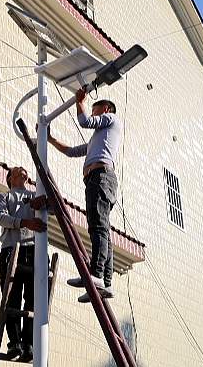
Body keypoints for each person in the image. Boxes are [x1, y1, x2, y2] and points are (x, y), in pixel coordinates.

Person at [47, 87, 122, 303]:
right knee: (102, 228)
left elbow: (85, 121)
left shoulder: (111, 118)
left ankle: (96, 274)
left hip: (100, 177)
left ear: (105, 109)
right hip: (97, 178)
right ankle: (105, 281)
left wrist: (79, 101)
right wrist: (50, 139)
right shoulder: (97, 139)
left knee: (98, 227)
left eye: (94, 108)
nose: (92, 110)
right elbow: (71, 151)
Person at [0, 166, 48, 361]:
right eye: (16, 169)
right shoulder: (4, 196)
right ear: (9, 178)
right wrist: (25, 222)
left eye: (24, 168)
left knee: (34, 299)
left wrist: (45, 200)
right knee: (12, 296)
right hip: (12, 247)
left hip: (35, 249)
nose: (21, 169)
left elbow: (52, 207)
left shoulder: (36, 195)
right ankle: (15, 342)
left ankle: (29, 343)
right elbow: (2, 217)